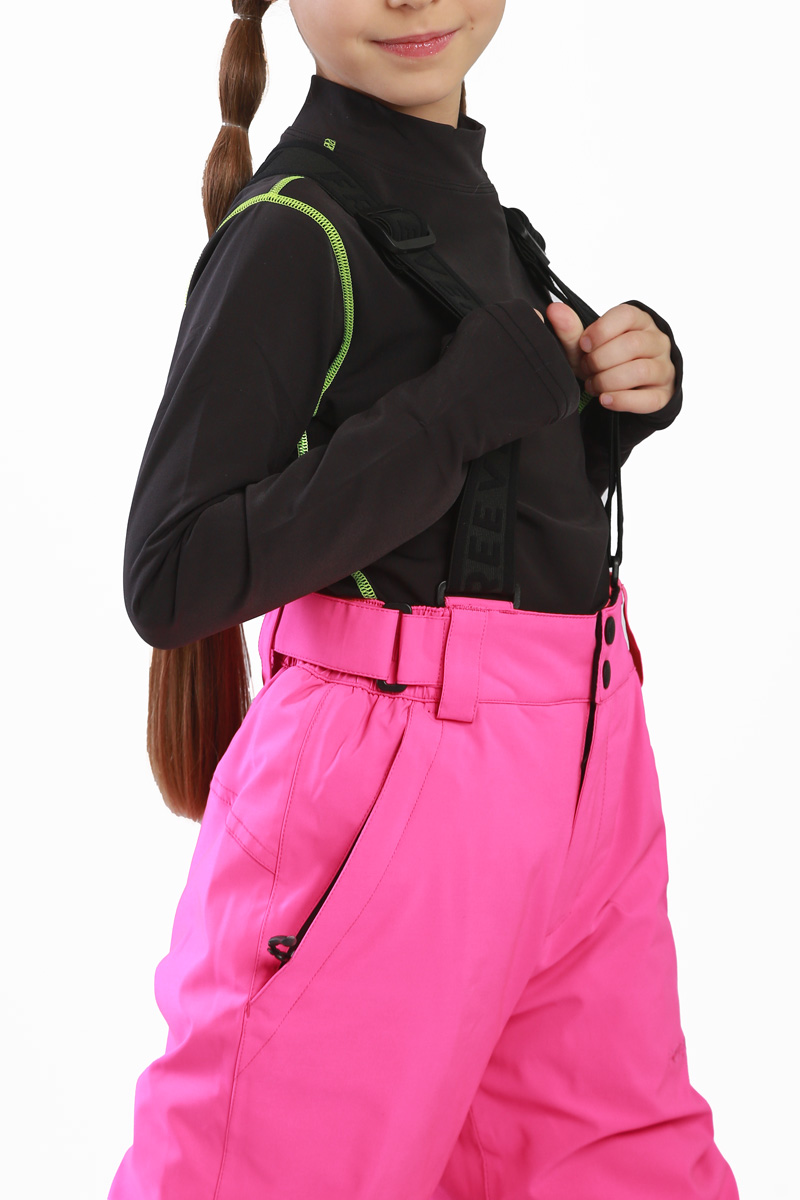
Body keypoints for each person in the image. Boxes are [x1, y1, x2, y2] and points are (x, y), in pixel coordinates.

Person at [109, 2, 740, 1197]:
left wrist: (604, 414)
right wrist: (455, 412)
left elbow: (440, 496)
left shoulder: (479, 212)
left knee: (619, 1170)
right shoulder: (290, 230)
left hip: (581, 764)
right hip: (399, 782)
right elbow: (173, 572)